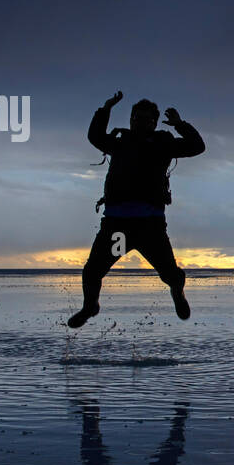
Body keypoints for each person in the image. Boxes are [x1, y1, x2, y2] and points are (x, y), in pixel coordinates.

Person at [67, 91, 204, 328]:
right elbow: (95, 136)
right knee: (92, 271)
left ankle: (177, 291)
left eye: (147, 119)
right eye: (136, 118)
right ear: (130, 119)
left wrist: (180, 124)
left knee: (170, 274)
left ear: (154, 122)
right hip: (117, 227)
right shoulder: (119, 143)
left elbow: (197, 146)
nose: (140, 122)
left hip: (149, 226)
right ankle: (91, 306)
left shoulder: (163, 144)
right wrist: (106, 108)